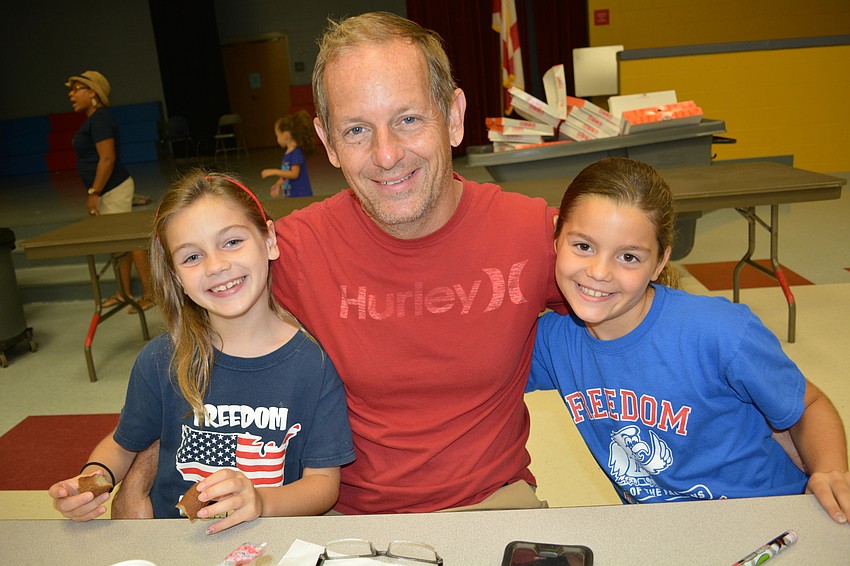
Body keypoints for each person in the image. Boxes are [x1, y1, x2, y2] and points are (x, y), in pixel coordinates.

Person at [113, 11, 565, 517]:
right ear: (327, 141)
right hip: (342, 523)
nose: (387, 154)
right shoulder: (289, 251)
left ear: (453, 116)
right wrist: (137, 477)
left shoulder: (531, 233)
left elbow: (645, 309)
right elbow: (195, 363)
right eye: (356, 130)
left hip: (493, 505)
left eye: (408, 119)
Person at [527, 157, 850, 523]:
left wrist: (830, 470)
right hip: (665, 532)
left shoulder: (719, 331)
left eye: (629, 256)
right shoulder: (554, 341)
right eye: (583, 247)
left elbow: (808, 405)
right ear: (556, 239)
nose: (599, 272)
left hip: (768, 516)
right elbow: (474, 374)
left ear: (660, 262)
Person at [48, 171, 355, 533]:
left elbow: (323, 485)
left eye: (232, 242)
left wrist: (260, 501)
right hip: (173, 543)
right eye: (192, 257)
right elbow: (122, 445)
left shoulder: (313, 364)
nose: (216, 266)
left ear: (270, 239)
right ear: (176, 276)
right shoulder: (159, 360)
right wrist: (88, 484)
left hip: (266, 540)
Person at [66, 70, 154, 313]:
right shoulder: (94, 119)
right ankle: (123, 292)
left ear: (93, 92)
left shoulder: (101, 119)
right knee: (118, 245)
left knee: (129, 241)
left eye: (76, 89)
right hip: (107, 190)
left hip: (113, 189)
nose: (71, 94)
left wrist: (94, 192)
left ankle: (150, 293)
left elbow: (107, 158)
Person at [261, 110, 316, 198]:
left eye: (277, 135)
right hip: (292, 195)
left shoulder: (296, 153)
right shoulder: (288, 153)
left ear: (285, 135)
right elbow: (286, 174)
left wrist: (274, 171)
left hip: (301, 196)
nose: (277, 139)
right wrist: (278, 184)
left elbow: (294, 174)